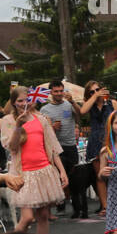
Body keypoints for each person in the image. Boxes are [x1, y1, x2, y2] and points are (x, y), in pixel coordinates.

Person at [0, 85, 69, 234]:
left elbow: (52, 147)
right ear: (14, 102)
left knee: (43, 215)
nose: (24, 103)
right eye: (20, 100)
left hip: (44, 170)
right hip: (24, 174)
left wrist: (62, 171)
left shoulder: (41, 118)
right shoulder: (8, 121)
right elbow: (11, 147)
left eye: (27, 99)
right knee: (27, 217)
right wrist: (18, 126)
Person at [38, 81, 82, 217]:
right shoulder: (44, 110)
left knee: (74, 176)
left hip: (70, 145)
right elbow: (41, 130)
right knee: (56, 177)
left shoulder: (69, 104)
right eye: (56, 91)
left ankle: (77, 207)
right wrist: (52, 128)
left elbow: (81, 114)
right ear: (50, 92)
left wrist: (73, 102)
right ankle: (59, 205)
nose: (59, 93)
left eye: (60, 91)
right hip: (54, 147)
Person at [80, 82, 114, 214]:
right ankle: (105, 206)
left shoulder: (112, 103)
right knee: (100, 175)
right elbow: (82, 111)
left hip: (111, 140)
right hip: (96, 141)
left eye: (97, 89)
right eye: (91, 91)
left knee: (115, 173)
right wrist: (94, 97)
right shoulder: (90, 105)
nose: (96, 92)